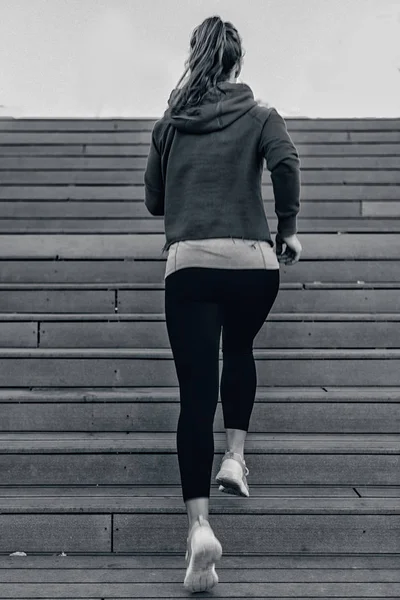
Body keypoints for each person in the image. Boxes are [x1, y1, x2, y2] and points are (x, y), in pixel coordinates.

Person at [144, 14, 302, 593]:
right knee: (239, 347)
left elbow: (154, 202)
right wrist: (287, 227)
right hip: (254, 265)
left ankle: (200, 529)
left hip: (191, 264)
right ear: (237, 63)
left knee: (194, 395)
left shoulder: (169, 125)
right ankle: (235, 455)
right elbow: (285, 163)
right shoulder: (262, 115)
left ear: (195, 57)